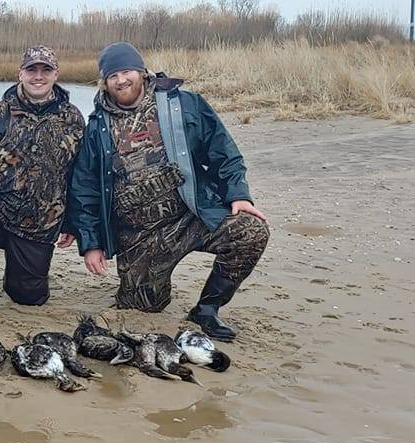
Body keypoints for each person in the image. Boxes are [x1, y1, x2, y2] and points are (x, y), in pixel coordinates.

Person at [68, 42, 269, 341]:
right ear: (104, 82)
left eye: (127, 72)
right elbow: (84, 189)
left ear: (141, 71)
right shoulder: (97, 127)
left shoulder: (184, 104)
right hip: (139, 235)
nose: (121, 80)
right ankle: (149, 285)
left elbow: (222, 152)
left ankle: (208, 309)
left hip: (191, 217)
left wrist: (238, 195)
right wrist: (91, 243)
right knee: (143, 307)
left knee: (251, 231)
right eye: (113, 76)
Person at [0, 45, 84, 306]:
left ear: (55, 74)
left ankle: (19, 280)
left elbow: (80, 175)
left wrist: (71, 221)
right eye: (31, 70)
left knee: (28, 297)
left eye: (45, 70)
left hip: (40, 221)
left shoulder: (73, 119)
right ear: (19, 74)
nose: (38, 76)